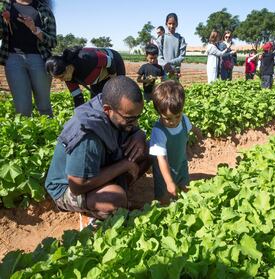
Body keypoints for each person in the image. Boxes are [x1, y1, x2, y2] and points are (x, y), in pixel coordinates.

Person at [45, 76, 151, 223]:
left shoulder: (116, 108)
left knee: (148, 151)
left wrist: (139, 135)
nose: (135, 123)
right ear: (107, 110)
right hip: (67, 187)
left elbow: (133, 128)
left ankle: (117, 192)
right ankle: (100, 208)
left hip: (99, 168)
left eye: (138, 117)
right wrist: (124, 165)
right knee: (115, 199)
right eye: (130, 119)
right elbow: (77, 186)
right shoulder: (88, 135)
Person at [0, 0, 56, 116]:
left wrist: (34, 29)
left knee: (44, 106)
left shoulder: (44, 9)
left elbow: (52, 42)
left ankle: (49, 133)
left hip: (39, 59)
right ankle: (27, 133)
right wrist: (3, 21)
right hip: (13, 59)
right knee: (22, 109)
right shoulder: (5, 6)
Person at [149, 80, 201, 205]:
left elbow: (192, 128)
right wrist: (169, 182)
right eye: (167, 118)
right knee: (164, 197)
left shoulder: (183, 120)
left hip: (181, 163)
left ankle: (187, 207)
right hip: (164, 172)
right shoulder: (158, 131)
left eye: (177, 116)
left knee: (186, 188)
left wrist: (199, 134)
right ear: (159, 113)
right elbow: (161, 159)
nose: (173, 121)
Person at [45, 46, 125, 108]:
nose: (62, 80)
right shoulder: (68, 77)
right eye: (58, 78)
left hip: (114, 62)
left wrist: (114, 82)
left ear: (68, 67)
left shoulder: (87, 58)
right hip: (95, 76)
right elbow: (78, 97)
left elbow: (110, 61)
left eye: (62, 76)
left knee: (117, 96)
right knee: (96, 103)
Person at [156, 13, 186, 81]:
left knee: (174, 89)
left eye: (173, 24)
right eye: (169, 23)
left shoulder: (181, 39)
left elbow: (182, 57)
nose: (172, 26)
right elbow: (159, 56)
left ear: (177, 24)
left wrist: (169, 63)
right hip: (164, 71)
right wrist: (165, 65)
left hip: (175, 71)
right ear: (166, 24)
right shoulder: (161, 38)